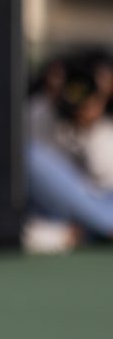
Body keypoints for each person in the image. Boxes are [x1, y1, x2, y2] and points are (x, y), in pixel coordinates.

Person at [23, 49, 113, 254]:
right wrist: (56, 104)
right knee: (29, 156)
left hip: (103, 199)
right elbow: (41, 176)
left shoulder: (105, 124)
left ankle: (95, 228)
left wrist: (90, 126)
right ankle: (99, 228)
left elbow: (103, 177)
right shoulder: (39, 113)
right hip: (58, 210)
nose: (79, 93)